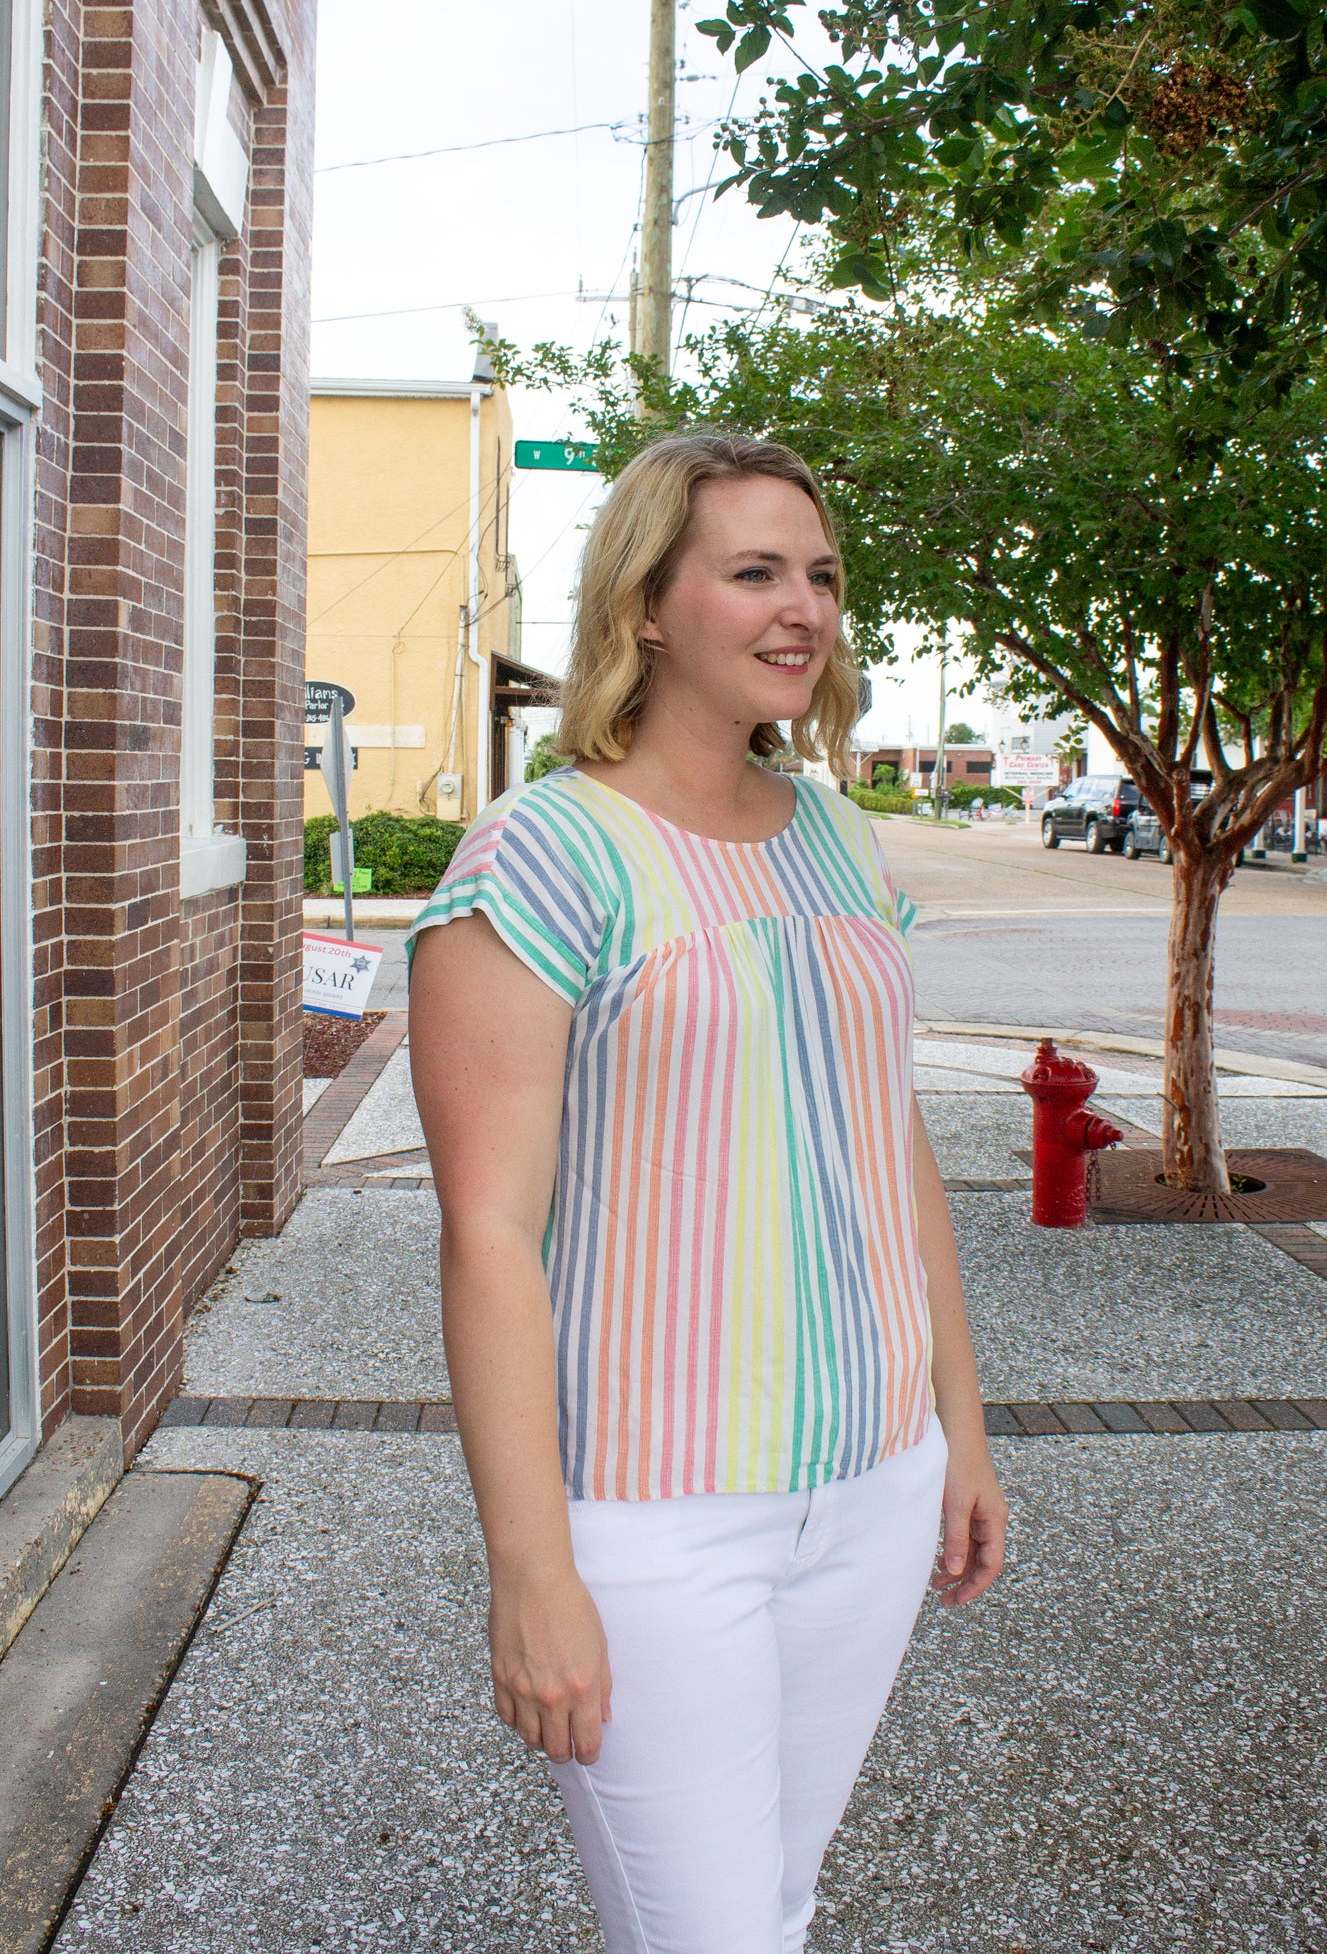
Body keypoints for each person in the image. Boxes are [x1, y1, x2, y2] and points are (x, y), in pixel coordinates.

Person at [407, 431, 1007, 1953]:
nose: (800, 607)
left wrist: (958, 1432)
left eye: (818, 574)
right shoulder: (546, 854)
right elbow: (486, 1231)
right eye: (752, 572)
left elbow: (892, 1149)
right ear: (645, 608)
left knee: (775, 1908)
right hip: (654, 1517)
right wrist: (529, 1567)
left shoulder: (842, 839)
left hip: (871, 1487)